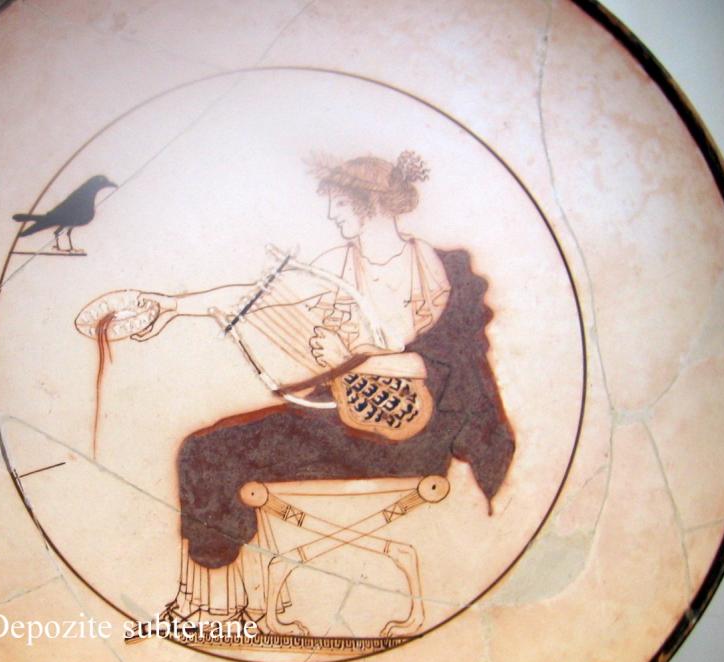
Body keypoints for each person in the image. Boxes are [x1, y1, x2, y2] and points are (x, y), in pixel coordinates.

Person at [134, 152, 514, 636]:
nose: (332, 215)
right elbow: (257, 298)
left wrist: (351, 357)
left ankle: (217, 606)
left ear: (371, 204)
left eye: (339, 204)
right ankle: (214, 601)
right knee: (206, 449)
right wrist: (170, 306)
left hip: (414, 436)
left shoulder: (442, 270)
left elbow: (445, 365)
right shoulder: (337, 266)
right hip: (344, 426)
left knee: (213, 451)